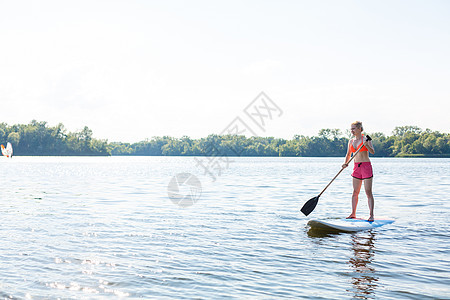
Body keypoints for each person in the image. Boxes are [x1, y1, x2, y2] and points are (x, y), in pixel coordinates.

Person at [342, 121, 375, 221]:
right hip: (356, 167)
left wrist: (366, 145)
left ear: (359, 129)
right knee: (355, 192)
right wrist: (345, 163)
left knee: (368, 192)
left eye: (353, 128)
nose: (351, 130)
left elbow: (372, 152)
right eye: (351, 129)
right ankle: (353, 213)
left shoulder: (365, 139)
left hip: (366, 166)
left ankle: (371, 215)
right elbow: (348, 154)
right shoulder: (351, 141)